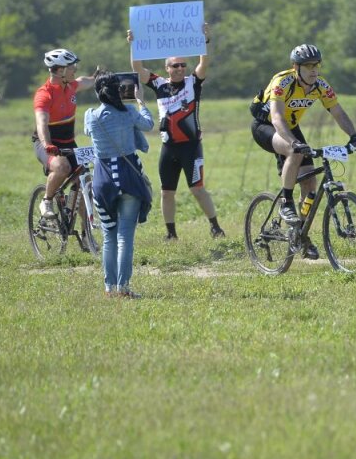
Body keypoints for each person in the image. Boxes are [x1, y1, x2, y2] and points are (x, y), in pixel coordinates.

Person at [251, 44, 356, 259]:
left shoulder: (320, 85)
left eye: (317, 65)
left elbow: (337, 112)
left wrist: (354, 136)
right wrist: (294, 143)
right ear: (296, 67)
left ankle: (300, 236)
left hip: (290, 127)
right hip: (266, 126)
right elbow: (276, 117)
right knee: (295, 152)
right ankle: (286, 201)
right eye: (309, 66)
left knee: (310, 184)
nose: (314, 70)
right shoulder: (282, 81)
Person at [128, 23, 225, 241]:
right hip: (168, 148)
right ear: (167, 69)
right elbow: (137, 68)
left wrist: (205, 40)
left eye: (182, 65)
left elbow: (204, 62)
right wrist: (134, 44)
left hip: (191, 147)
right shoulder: (159, 84)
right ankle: (171, 233)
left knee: (198, 190)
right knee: (166, 192)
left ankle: (216, 227)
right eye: (175, 66)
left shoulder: (193, 83)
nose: (180, 68)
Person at [84, 71, 155, 298]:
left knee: (109, 236)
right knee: (125, 236)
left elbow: (88, 131)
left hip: (102, 180)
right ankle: (123, 288)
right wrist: (140, 100)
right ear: (120, 91)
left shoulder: (90, 116)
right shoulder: (129, 112)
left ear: (98, 93)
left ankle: (109, 288)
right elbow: (149, 124)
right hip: (129, 177)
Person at [32, 48, 97, 218]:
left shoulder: (71, 86)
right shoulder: (44, 94)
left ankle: (86, 234)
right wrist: (47, 145)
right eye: (72, 66)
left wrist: (98, 77)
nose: (75, 69)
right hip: (47, 142)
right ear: (60, 70)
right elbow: (42, 123)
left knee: (85, 179)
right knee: (62, 167)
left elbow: (86, 81)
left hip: (68, 142)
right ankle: (46, 201)